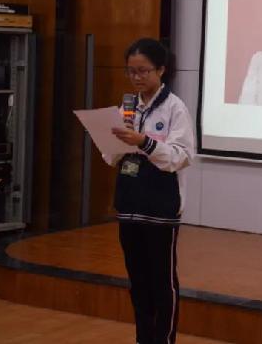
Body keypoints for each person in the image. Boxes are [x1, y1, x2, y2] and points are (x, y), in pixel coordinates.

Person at [103, 38, 195, 344]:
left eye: (143, 71)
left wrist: (143, 142)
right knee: (138, 282)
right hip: (129, 204)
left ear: (161, 70)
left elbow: (181, 157)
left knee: (162, 283)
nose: (137, 77)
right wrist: (115, 142)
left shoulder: (174, 108)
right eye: (131, 71)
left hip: (161, 207)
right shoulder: (127, 106)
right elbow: (110, 156)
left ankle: (164, 340)